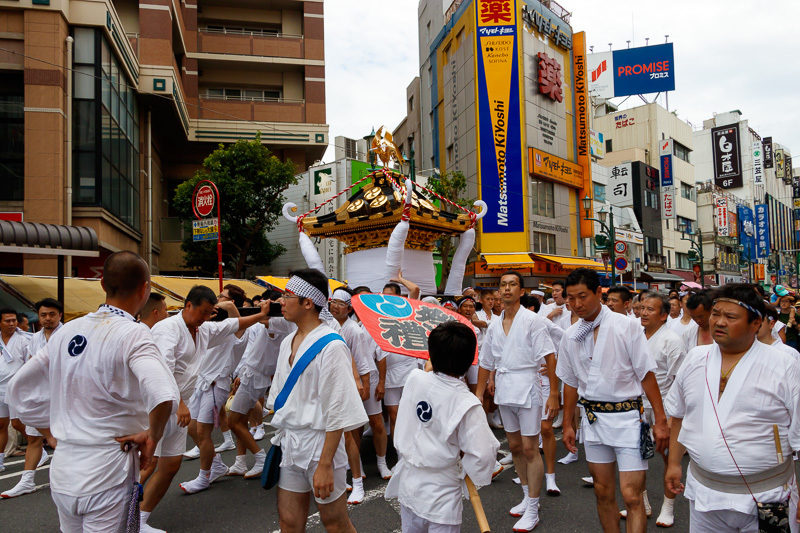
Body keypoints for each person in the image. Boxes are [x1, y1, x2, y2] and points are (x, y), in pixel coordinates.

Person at [7, 251, 179, 531]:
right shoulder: (133, 333)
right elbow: (163, 394)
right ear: (144, 289)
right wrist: (153, 436)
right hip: (108, 468)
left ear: (102, 284)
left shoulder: (66, 331)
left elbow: (18, 388)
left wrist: (48, 429)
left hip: (64, 467)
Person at [665, 284, 800, 532]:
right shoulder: (696, 357)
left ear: (755, 323)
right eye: (716, 314)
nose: (719, 322)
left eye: (731, 317)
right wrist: (674, 463)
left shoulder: (785, 364)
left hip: (768, 496)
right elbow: (680, 414)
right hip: (705, 494)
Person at [140, 285, 271, 533]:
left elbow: (232, 325)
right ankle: (117, 516)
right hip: (159, 405)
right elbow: (161, 369)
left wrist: (260, 313)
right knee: (147, 464)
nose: (206, 317)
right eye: (203, 311)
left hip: (197, 393)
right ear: (188, 305)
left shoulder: (203, 329)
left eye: (211, 312)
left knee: (170, 465)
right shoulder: (167, 329)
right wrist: (178, 403)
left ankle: (140, 518)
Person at [557, 268, 669, 533]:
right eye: (571, 298)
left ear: (599, 293)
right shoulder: (570, 334)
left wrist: (661, 420)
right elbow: (570, 382)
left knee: (632, 495)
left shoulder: (627, 325)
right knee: (602, 492)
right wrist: (568, 424)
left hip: (628, 417)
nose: (576, 304)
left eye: (582, 296)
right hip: (593, 420)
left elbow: (646, 374)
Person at [267, 269, 368, 533]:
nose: (281, 301)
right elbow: (278, 395)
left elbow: (338, 410)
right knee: (289, 522)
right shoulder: (288, 341)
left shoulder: (332, 346)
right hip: (291, 442)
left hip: (320, 444)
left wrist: (325, 465)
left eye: (287, 295)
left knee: (335, 523)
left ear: (308, 302)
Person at [386, 321, 499, 532]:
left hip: (410, 484)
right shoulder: (466, 402)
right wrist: (467, 470)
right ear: (469, 360)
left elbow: (427, 373)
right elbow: (483, 455)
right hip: (441, 492)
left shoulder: (415, 378)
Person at [475, 271, 558, 532]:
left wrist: (554, 393)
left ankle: (533, 507)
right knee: (514, 445)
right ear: (498, 292)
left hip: (528, 386)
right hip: (505, 387)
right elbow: (486, 361)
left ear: (522, 291)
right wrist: (478, 393)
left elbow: (550, 356)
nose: (507, 289)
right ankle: (526, 495)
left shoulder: (533, 320)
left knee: (531, 447)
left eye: (513, 285)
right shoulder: (495, 324)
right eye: (503, 285)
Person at [180, 284, 252, 492]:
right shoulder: (210, 325)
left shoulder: (236, 331)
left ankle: (204, 476)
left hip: (215, 384)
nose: (218, 299)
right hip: (200, 383)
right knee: (193, 429)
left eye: (223, 297)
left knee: (203, 431)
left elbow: (239, 325)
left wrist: (229, 306)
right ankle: (217, 464)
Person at [1, 298, 63, 498]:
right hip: (40, 394)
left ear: (60, 315)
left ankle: (68, 478)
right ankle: (26, 481)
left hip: (63, 394)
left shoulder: (69, 334)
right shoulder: (35, 338)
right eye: (43, 315)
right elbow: (30, 364)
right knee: (34, 438)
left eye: (52, 314)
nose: (47, 318)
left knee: (65, 438)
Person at [635, 291, 687, 527]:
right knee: (635, 457)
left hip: (664, 406)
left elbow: (680, 381)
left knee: (668, 456)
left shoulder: (672, 341)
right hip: (635, 405)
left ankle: (669, 506)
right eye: (642, 308)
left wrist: (667, 417)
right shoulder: (634, 335)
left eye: (650, 309)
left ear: (664, 315)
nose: (643, 313)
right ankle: (641, 501)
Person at [350, 286, 392, 481]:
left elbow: (381, 357)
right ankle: (357, 463)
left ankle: (382, 462)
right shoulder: (348, 325)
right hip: (350, 380)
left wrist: (381, 382)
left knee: (377, 423)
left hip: (372, 378)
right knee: (355, 425)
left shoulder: (375, 324)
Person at [0, 307, 30, 473]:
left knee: (17, 424)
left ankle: (37, 446)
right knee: (1, 425)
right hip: (0, 387)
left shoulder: (23, 340)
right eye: (7, 321)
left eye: (14, 321)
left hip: (17, 387)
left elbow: (29, 364)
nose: (12, 324)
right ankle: (0, 461)